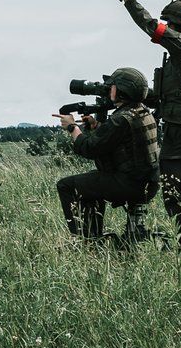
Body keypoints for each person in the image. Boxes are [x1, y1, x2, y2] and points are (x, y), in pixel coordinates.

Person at [111, 0, 181, 254]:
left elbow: (149, 25)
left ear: (178, 26)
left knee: (176, 187)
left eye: (170, 24)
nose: (166, 28)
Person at [56, 66, 159, 245]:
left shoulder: (121, 119)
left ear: (121, 90)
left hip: (128, 183)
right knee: (90, 183)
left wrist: (73, 128)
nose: (109, 89)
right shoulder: (142, 112)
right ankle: (94, 237)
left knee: (66, 186)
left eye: (112, 86)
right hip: (147, 182)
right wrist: (96, 126)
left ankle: (88, 241)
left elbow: (88, 148)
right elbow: (119, 141)